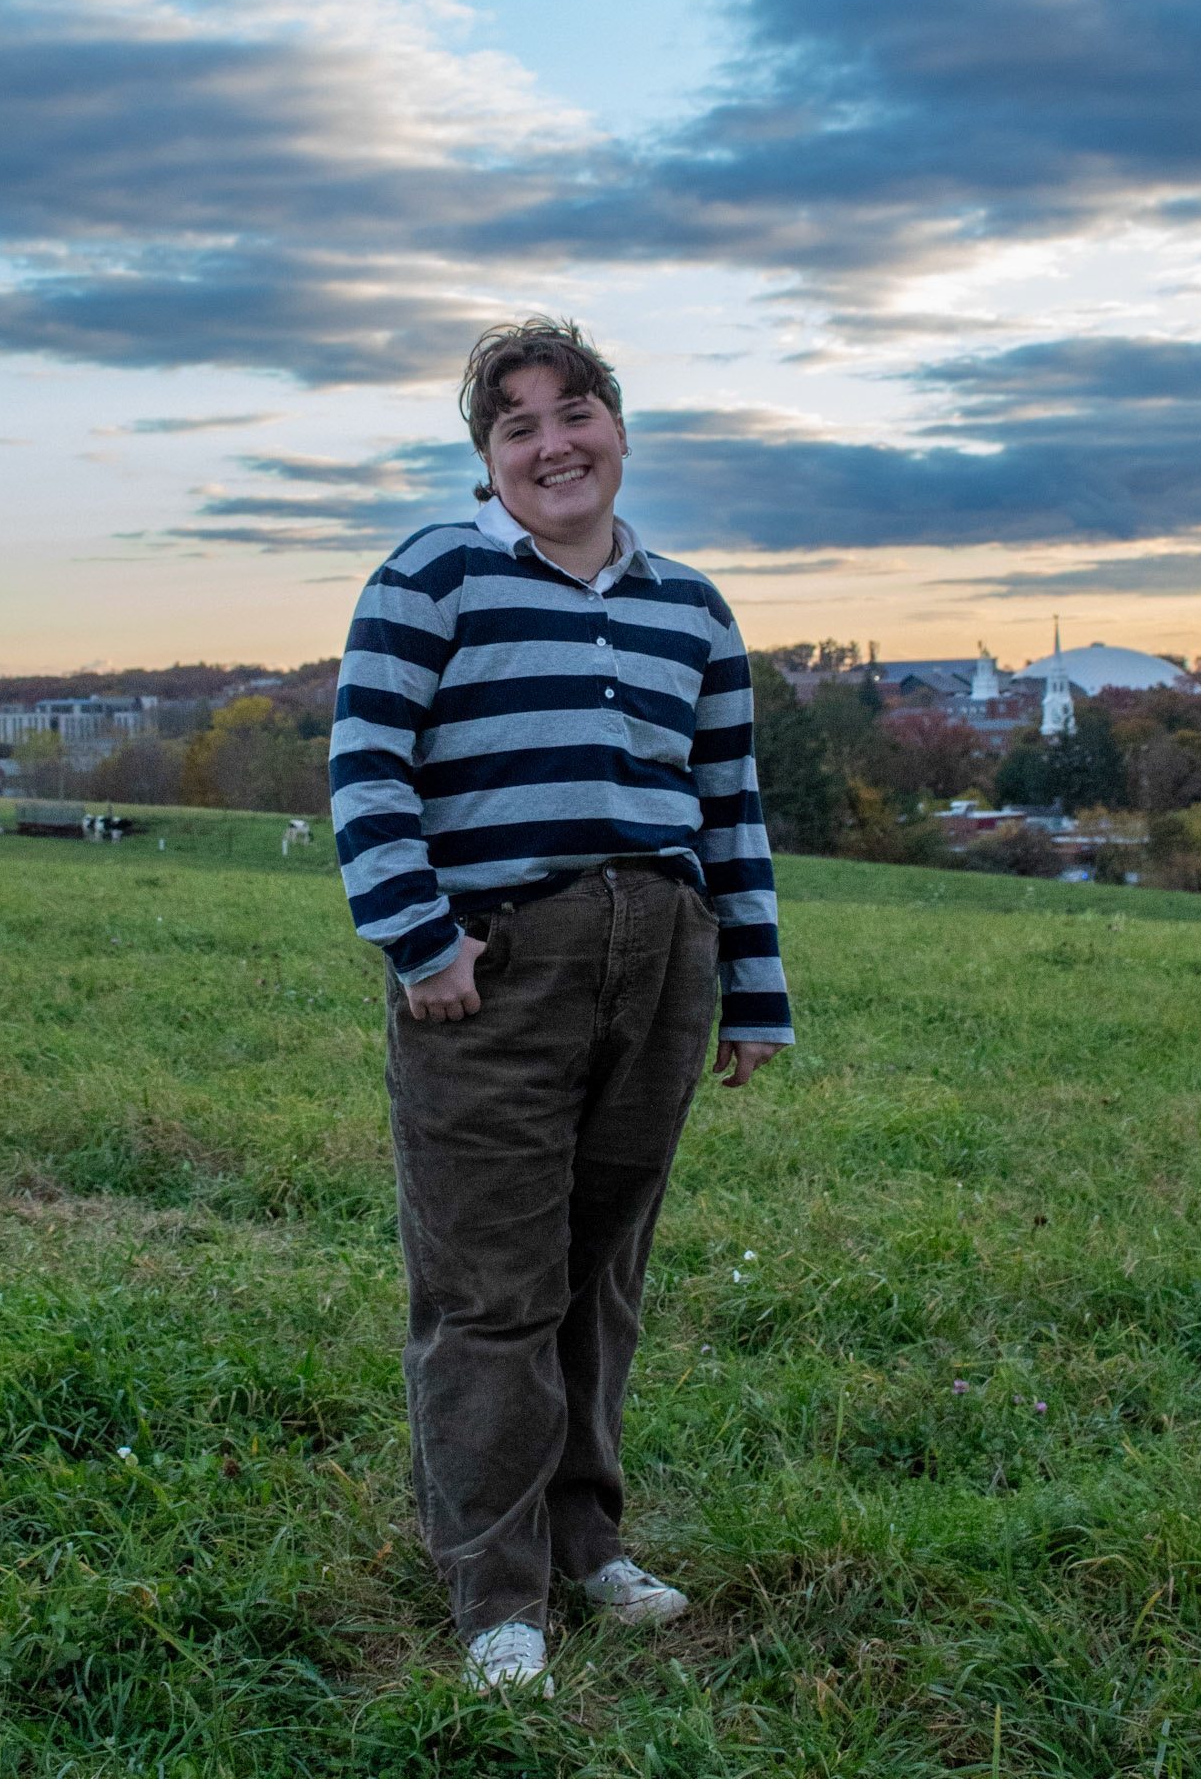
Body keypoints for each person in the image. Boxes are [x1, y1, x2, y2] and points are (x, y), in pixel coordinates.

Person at [329, 318, 793, 1695]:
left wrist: (751, 991)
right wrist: (422, 946)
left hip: (660, 963)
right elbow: (366, 769)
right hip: (494, 975)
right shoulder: (430, 576)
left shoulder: (691, 608)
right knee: (489, 1292)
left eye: (574, 412)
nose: (552, 444)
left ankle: (586, 1542)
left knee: (601, 1277)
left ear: (618, 430)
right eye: (517, 424)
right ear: (489, 459)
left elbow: (729, 806)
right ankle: (496, 1590)